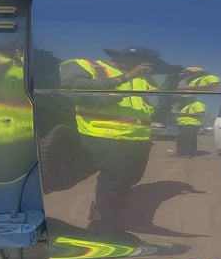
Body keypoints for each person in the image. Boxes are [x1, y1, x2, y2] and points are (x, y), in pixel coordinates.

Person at [60, 47, 159, 226]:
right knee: (114, 179)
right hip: (104, 133)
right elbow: (73, 87)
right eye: (141, 59)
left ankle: (115, 210)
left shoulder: (144, 78)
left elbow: (151, 104)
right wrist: (125, 77)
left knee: (132, 177)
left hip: (138, 137)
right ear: (124, 57)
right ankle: (101, 224)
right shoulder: (88, 66)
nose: (145, 65)